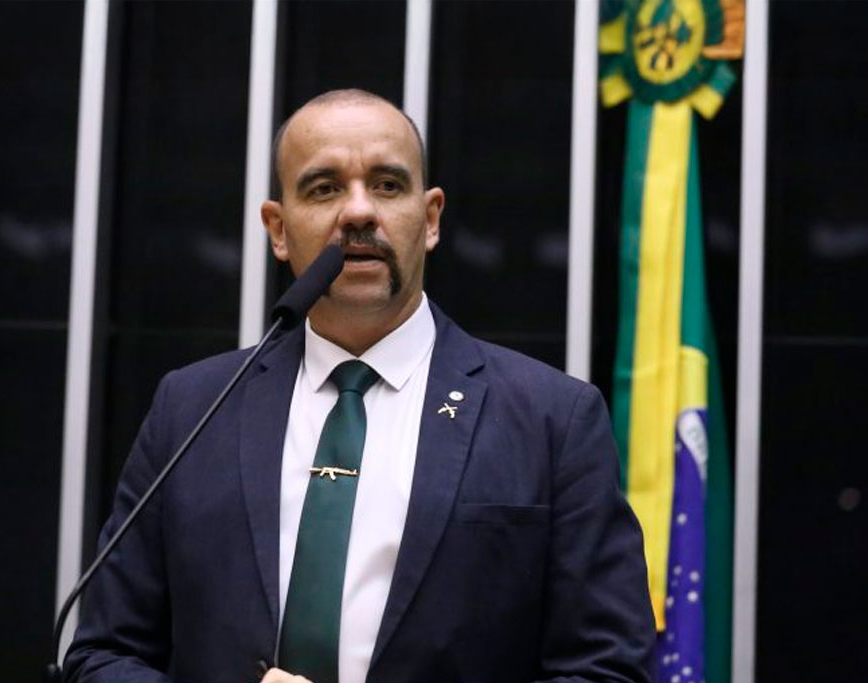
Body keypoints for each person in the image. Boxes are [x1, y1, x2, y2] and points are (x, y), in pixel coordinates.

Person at [64, 89, 654, 683]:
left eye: (387, 185)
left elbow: (608, 670)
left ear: (429, 220)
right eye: (324, 188)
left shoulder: (553, 419)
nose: (358, 212)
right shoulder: (191, 410)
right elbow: (102, 656)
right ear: (277, 228)